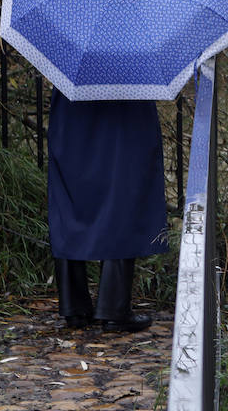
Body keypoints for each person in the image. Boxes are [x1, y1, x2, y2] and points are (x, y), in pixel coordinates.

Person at [46, 89, 168, 332]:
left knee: (70, 199)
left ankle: (75, 308)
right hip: (125, 100)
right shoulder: (131, 53)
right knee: (122, 197)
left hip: (74, 101)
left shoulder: (73, 55)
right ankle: (113, 309)